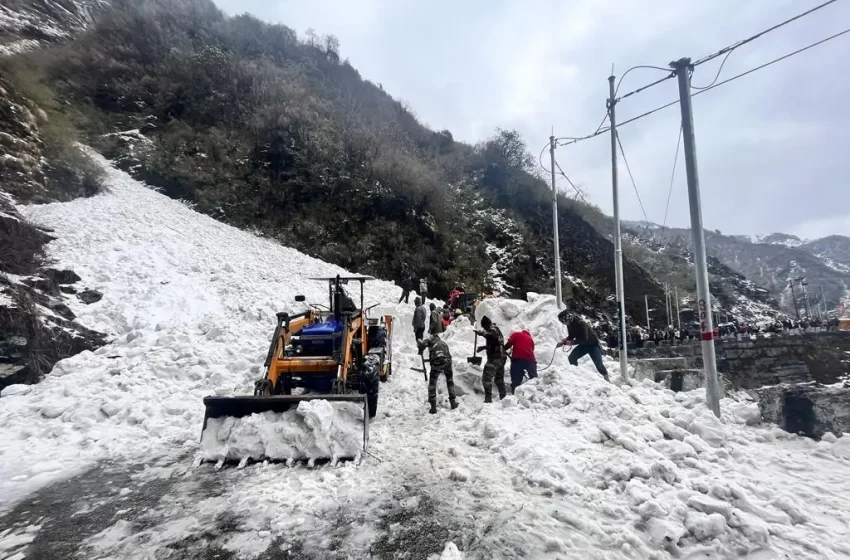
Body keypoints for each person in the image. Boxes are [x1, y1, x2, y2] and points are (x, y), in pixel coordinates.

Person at [556, 310, 609, 381]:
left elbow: (584, 338)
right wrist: (563, 341)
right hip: (583, 346)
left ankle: (607, 380)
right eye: (562, 322)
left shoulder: (581, 323)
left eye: (564, 322)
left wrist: (569, 342)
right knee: (572, 358)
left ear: (568, 318)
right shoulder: (570, 325)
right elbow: (571, 336)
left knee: (598, 364)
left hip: (593, 345)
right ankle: (576, 376)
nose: (564, 324)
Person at [418, 333, 458, 414]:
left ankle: (433, 407)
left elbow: (423, 344)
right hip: (447, 361)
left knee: (432, 383)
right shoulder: (443, 343)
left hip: (436, 361)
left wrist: (420, 347)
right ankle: (453, 402)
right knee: (450, 381)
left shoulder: (430, 340)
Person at [474, 316, 506, 402]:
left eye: (484, 327)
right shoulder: (495, 329)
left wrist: (481, 333)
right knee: (499, 379)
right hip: (501, 358)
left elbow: (492, 336)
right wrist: (484, 347)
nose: (484, 329)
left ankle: (488, 399)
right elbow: (495, 342)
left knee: (486, 378)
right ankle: (504, 398)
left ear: (486, 325)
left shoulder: (493, 329)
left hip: (495, 359)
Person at [505, 328, 537, 393]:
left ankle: (515, 393)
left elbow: (510, 342)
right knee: (534, 379)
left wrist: (504, 348)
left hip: (518, 359)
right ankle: (535, 393)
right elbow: (532, 349)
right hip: (530, 360)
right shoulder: (531, 340)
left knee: (516, 379)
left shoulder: (516, 334)